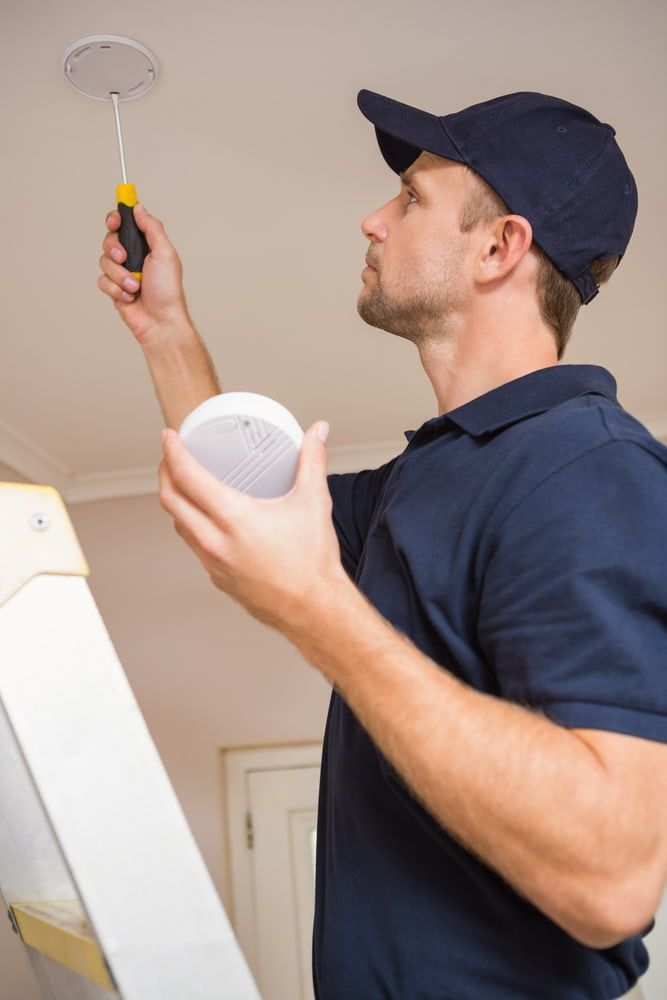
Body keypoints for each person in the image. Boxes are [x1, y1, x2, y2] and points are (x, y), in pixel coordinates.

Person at [98, 89, 667, 999]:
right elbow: (243, 502)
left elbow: (611, 877)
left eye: (409, 197)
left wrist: (318, 608)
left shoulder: (587, 468)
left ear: (498, 247)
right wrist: (166, 330)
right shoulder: (437, 475)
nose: (372, 219)